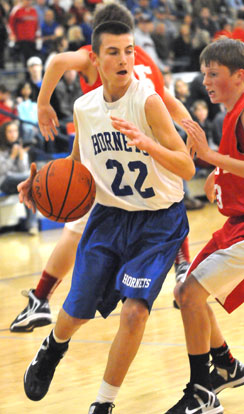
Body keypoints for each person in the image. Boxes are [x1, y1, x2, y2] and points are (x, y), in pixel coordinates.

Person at [20, 3, 195, 413]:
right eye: (114, 52)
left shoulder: (147, 103)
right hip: (108, 216)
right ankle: (52, 347)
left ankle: (103, 403)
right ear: (94, 59)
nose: (125, 59)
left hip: (157, 223)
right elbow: (77, 167)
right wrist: (39, 183)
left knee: (135, 314)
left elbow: (186, 167)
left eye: (130, 50)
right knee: (75, 313)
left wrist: (151, 144)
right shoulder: (84, 108)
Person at [165, 37, 244, 414]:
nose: (206, 82)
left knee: (192, 295)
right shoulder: (232, 113)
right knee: (185, 293)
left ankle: (200, 394)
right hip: (234, 225)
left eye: (214, 74)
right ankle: (226, 365)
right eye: (203, 74)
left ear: (239, 76)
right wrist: (217, 170)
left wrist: (212, 157)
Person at [0, 120, 38, 235]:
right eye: (10, 132)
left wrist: (21, 156)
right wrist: (12, 156)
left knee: (29, 186)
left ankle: (32, 225)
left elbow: (23, 170)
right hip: (3, 181)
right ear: (4, 134)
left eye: (15, 131)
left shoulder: (19, 147)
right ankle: (31, 224)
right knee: (30, 178)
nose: (13, 134)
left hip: (18, 181)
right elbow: (2, 171)